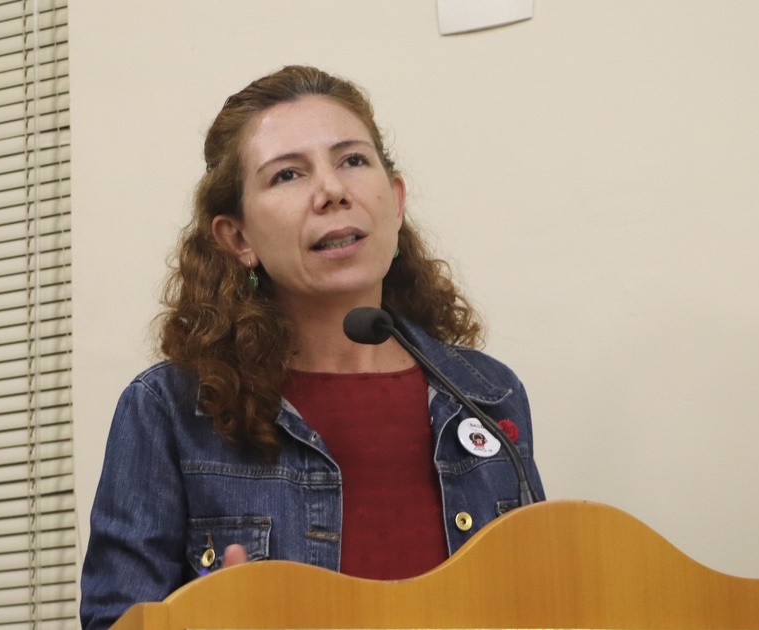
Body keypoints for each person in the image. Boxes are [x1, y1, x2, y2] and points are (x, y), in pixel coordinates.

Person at [80, 65, 545, 629]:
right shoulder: (170, 410)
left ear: (396, 201)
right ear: (238, 237)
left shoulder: (485, 395)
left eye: (353, 161)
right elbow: (115, 619)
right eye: (288, 175)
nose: (332, 191)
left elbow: (543, 600)